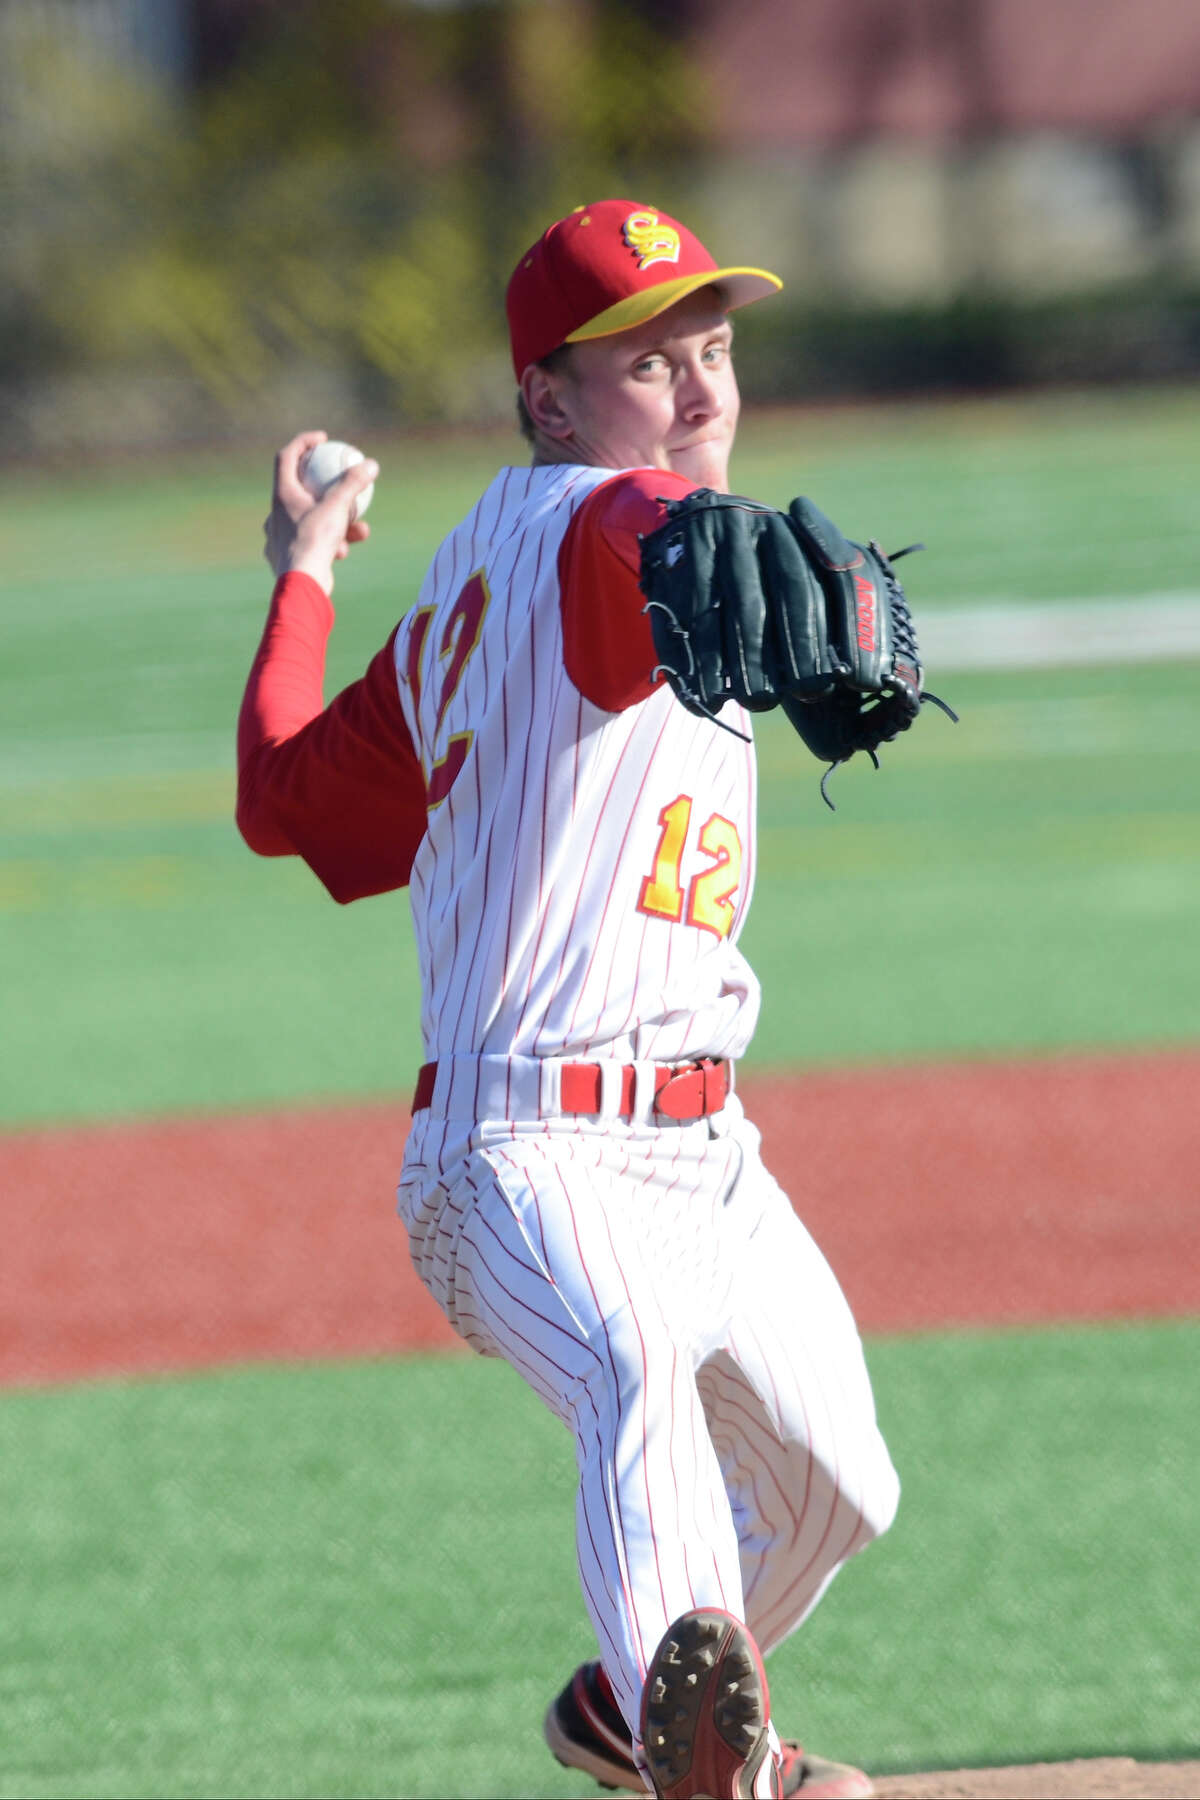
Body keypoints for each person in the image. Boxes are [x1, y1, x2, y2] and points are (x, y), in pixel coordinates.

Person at [237, 199, 900, 1800]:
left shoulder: (476, 601)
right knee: (631, 1370)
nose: (698, 393)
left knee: (836, 1488)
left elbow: (282, 796)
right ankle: (711, 1780)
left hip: (706, 1156)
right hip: (524, 1155)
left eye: (716, 350)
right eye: (649, 364)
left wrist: (304, 572)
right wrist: (670, 528)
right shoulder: (588, 529)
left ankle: (630, 1711)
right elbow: (630, 545)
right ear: (549, 401)